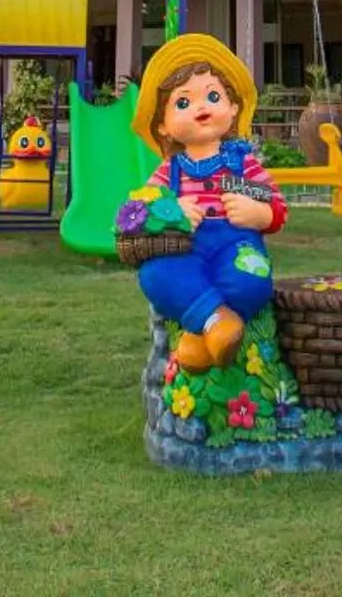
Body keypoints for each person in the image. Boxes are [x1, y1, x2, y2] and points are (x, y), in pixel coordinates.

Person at [123, 36, 288, 372]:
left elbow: (277, 205)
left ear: (233, 108)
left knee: (251, 278)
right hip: (188, 248)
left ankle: (204, 333)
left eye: (213, 96)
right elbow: (145, 207)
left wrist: (259, 212)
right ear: (164, 126)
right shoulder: (170, 170)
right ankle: (217, 321)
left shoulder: (243, 164)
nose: (201, 108)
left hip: (237, 244)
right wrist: (173, 211)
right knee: (155, 275)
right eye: (182, 103)